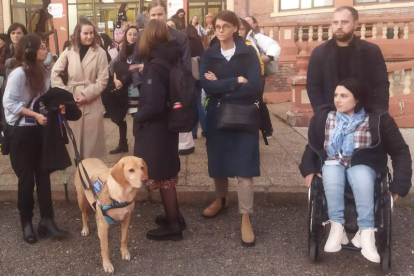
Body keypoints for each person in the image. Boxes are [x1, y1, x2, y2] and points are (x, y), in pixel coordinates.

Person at [300, 78, 412, 262]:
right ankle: (337, 228)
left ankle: (366, 233)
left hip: (363, 165)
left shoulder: (377, 119)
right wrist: (309, 169)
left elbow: (400, 151)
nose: (338, 100)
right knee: (331, 169)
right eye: (336, 95)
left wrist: (399, 184)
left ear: (357, 99)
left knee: (359, 174)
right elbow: (312, 147)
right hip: (334, 163)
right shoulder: (326, 118)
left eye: (344, 96)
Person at [199, 10, 262, 247]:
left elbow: (255, 86)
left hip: (244, 114)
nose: (220, 30)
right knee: (218, 162)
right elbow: (206, 85)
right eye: (217, 27)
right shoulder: (210, 53)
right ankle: (221, 199)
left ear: (236, 28)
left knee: (245, 167)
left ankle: (246, 217)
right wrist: (236, 80)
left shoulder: (248, 52)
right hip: (217, 115)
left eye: (225, 26)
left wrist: (221, 85)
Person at [3, 34, 69, 244]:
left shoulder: (44, 72)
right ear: (30, 51)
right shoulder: (18, 74)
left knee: (43, 176)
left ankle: (47, 220)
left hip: (41, 132)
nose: (46, 50)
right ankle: (26, 222)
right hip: (22, 134)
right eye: (42, 47)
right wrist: (35, 115)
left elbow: (44, 100)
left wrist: (57, 106)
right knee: (26, 180)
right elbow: (9, 104)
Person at [133, 19, 184, 241]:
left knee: (163, 177)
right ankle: (176, 217)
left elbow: (152, 106)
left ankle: (173, 226)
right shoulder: (170, 60)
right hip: (169, 125)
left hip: (157, 130)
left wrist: (138, 117)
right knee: (168, 175)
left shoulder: (155, 66)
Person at [130, 0, 195, 156]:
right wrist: (140, 85)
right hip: (149, 91)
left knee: (168, 139)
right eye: (153, 15)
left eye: (160, 14)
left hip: (172, 92)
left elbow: (186, 67)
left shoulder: (179, 36)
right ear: (147, 16)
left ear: (166, 14)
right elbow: (135, 63)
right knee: (150, 137)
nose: (156, 17)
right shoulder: (141, 35)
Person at [306, 6, 389, 113]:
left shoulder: (371, 51)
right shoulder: (319, 53)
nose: (339, 26)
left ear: (355, 24)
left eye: (344, 22)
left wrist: (379, 114)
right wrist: (322, 113)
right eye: (335, 22)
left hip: (365, 116)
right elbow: (313, 86)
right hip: (330, 116)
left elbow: (381, 84)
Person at [51, 17, 109, 159]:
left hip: (92, 100)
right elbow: (55, 73)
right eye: (85, 33)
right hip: (73, 99)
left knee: (92, 143)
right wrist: (65, 93)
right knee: (75, 143)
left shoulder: (100, 52)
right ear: (78, 33)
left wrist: (86, 95)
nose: (89, 36)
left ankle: (91, 174)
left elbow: (103, 80)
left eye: (91, 33)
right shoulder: (69, 51)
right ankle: (79, 174)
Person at [245, 15, 280, 139]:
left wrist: (267, 57)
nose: (245, 24)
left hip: (257, 74)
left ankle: (266, 127)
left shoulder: (257, 37)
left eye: (248, 22)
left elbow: (274, 47)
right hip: (241, 74)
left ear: (254, 24)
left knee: (257, 100)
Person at [108, 25, 139, 154]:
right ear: (125, 36)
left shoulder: (141, 50)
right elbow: (114, 65)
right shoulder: (123, 51)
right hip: (122, 88)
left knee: (137, 116)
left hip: (135, 88)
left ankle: (139, 144)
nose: (132, 37)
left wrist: (125, 78)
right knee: (121, 116)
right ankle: (122, 143)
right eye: (129, 34)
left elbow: (138, 67)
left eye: (135, 34)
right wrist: (115, 79)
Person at [185, 24, 206, 139]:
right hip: (199, 77)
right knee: (199, 103)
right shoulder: (199, 41)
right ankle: (206, 128)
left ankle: (193, 132)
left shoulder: (186, 42)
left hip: (190, 78)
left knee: (193, 105)